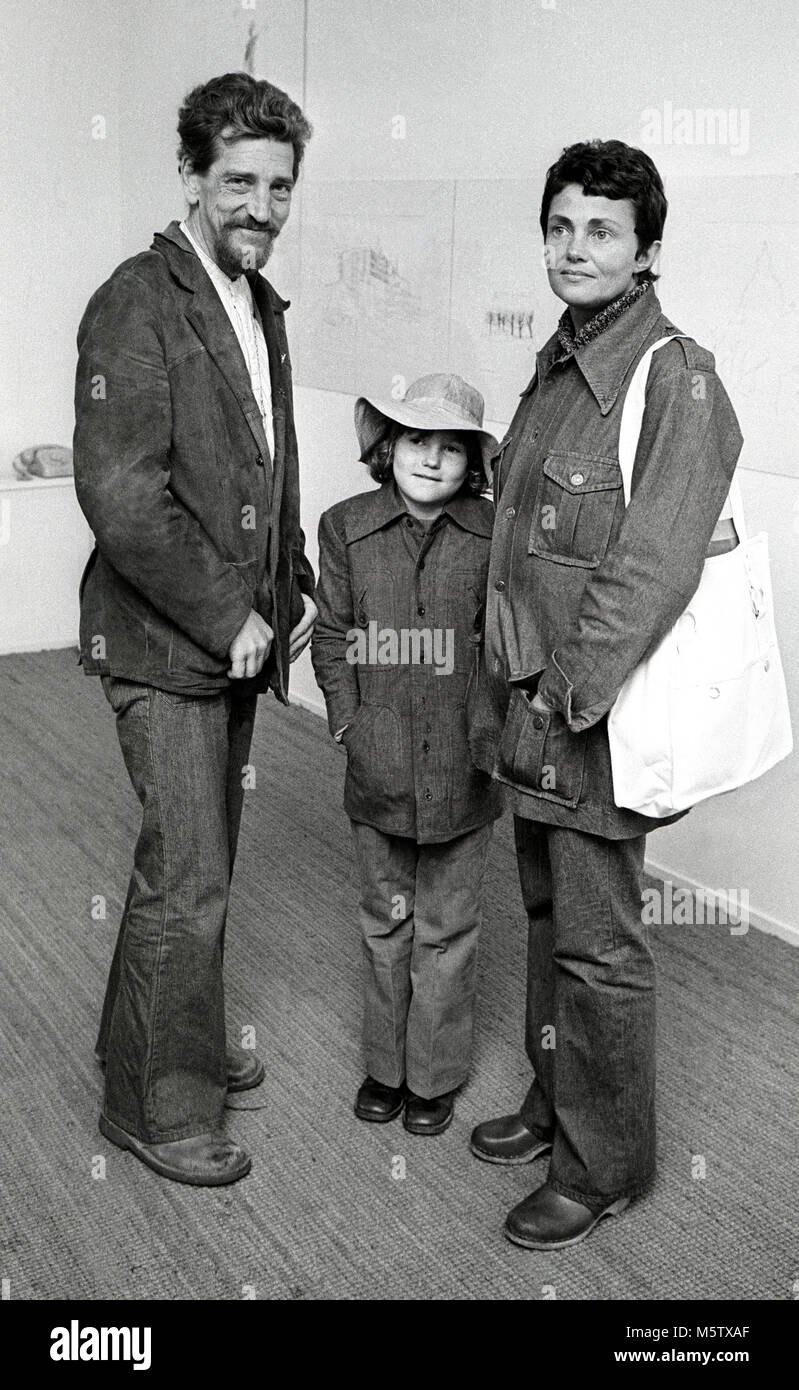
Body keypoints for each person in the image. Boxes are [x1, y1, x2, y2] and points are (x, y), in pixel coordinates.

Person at [468, 140, 743, 1247]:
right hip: (528, 702)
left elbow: (651, 566)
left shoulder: (675, 373)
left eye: (600, 231)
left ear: (648, 252)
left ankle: (604, 1165)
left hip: (587, 712)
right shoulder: (560, 358)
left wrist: (564, 695)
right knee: (544, 920)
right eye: (560, 226)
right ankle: (554, 1101)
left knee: (598, 941)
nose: (573, 248)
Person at [73, 72, 317, 1186]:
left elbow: (268, 459)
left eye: (277, 186)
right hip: (166, 646)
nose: (259, 206)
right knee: (190, 874)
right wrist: (230, 613)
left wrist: (294, 580)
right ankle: (157, 1107)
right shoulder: (136, 299)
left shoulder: (256, 302)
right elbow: (123, 496)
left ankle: (156, 1041)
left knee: (193, 861)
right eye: (237, 182)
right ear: (188, 177)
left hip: (232, 641)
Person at [311, 375, 503, 1136]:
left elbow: (509, 644)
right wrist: (346, 724)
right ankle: (384, 1069)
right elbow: (332, 635)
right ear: (386, 446)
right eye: (417, 441)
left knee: (447, 929)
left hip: (465, 764)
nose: (431, 461)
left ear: (472, 466)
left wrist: (491, 738)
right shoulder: (344, 526)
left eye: (451, 449)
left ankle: (432, 1077)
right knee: (385, 920)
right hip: (379, 763)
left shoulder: (492, 535)